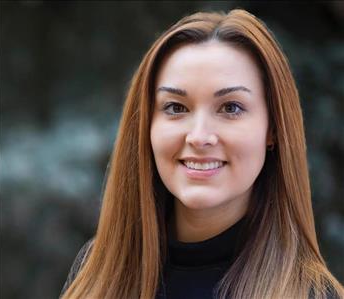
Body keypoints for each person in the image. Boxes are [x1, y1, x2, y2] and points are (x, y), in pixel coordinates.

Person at [60, 8, 343, 299]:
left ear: (273, 129)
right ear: (146, 126)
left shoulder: (313, 295)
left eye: (231, 108)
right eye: (176, 108)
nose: (199, 137)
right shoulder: (98, 272)